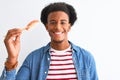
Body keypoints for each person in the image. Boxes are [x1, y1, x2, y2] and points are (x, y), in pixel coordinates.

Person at [0, 2, 98, 80]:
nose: (58, 27)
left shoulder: (86, 58)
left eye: (63, 22)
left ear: (69, 26)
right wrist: (12, 59)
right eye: (52, 22)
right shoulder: (33, 59)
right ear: (47, 26)